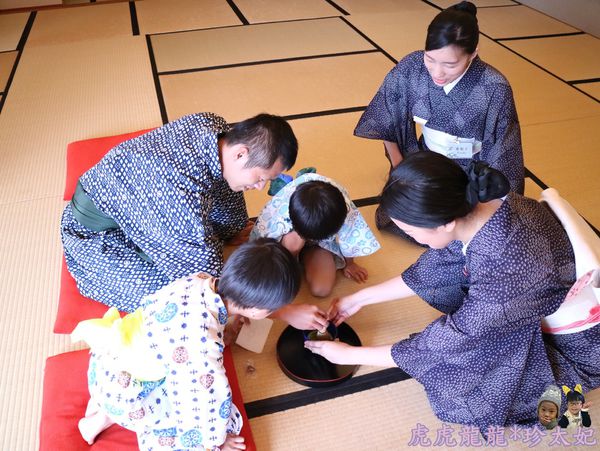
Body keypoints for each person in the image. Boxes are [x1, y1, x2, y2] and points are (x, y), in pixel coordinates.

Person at [306, 152, 600, 433]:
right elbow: (437, 266)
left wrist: (351, 354)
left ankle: (562, 391)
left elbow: (451, 340)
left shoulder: (506, 270)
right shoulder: (488, 205)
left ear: (446, 223)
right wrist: (358, 298)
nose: (409, 237)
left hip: (573, 347)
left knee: (455, 386)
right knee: (451, 287)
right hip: (535, 296)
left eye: (411, 232)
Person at [72, 238, 301, 450]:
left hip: (106, 362)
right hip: (126, 394)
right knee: (205, 418)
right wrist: (217, 442)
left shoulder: (200, 280)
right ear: (257, 311)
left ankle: (100, 418)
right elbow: (205, 404)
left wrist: (228, 329)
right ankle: (109, 414)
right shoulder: (201, 349)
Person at [62, 112, 298, 312]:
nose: (260, 187)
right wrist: (277, 311)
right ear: (240, 153)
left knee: (231, 220)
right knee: (179, 301)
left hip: (142, 198)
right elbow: (202, 278)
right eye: (260, 178)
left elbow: (222, 193)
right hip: (94, 234)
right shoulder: (176, 195)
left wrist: (230, 230)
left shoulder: (214, 128)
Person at [354, 1, 523, 233]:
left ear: (473, 53)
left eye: (450, 65)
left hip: (469, 171)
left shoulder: (494, 87)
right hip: (426, 162)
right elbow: (386, 118)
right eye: (430, 59)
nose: (437, 72)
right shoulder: (412, 67)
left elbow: (504, 152)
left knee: (472, 227)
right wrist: (400, 168)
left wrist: (488, 198)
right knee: (401, 216)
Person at [250, 171, 380, 331]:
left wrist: (350, 264)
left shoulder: (342, 207)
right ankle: (292, 258)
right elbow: (260, 247)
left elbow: (350, 236)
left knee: (321, 289)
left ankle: (307, 253)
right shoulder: (281, 212)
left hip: (319, 241)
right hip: (290, 236)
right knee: (281, 276)